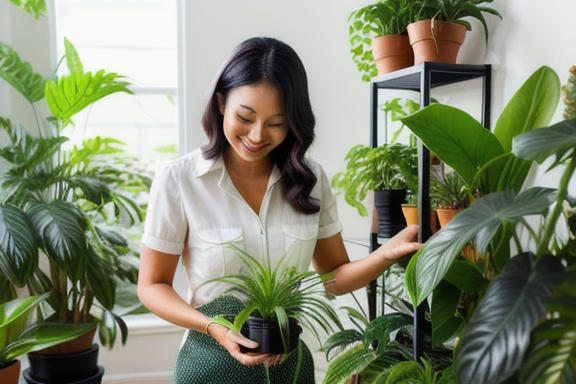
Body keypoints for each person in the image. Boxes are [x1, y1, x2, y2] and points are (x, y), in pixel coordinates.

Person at [137, 36, 421, 384]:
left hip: (287, 364)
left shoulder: (310, 179)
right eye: (246, 116)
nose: (257, 135)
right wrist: (214, 327)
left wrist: (388, 253)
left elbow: (334, 276)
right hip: (208, 362)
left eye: (276, 123)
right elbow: (151, 286)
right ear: (221, 102)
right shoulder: (180, 180)